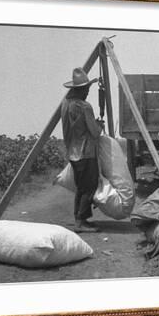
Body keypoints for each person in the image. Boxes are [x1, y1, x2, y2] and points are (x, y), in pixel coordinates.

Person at [61, 67, 103, 233]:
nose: (87, 92)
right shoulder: (85, 106)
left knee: (81, 186)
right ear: (80, 90)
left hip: (73, 152)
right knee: (90, 186)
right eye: (86, 89)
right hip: (86, 152)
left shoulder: (66, 105)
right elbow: (94, 132)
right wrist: (99, 126)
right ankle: (81, 222)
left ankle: (80, 217)